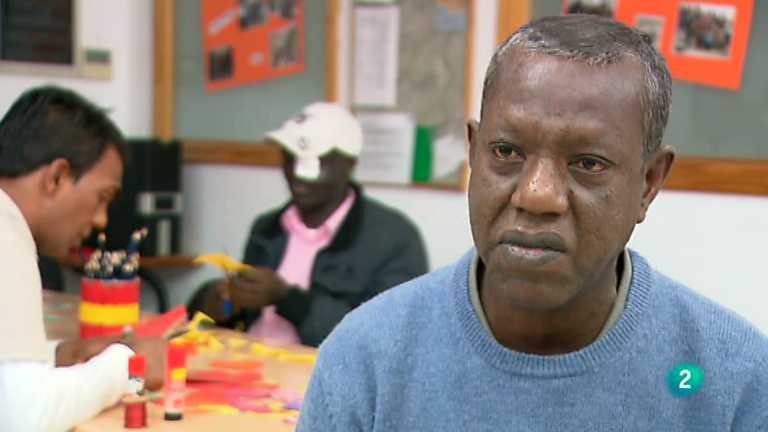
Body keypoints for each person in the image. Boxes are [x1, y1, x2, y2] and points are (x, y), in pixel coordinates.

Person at [297, 15, 768, 431]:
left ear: (648, 183)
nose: (537, 195)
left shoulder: (736, 381)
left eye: (588, 163)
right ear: (473, 152)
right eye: (506, 152)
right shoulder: (365, 360)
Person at [189, 102, 428, 347]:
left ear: (348, 164)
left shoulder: (395, 239)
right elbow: (238, 322)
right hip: (249, 362)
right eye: (289, 157)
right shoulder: (267, 228)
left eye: (311, 162)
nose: (296, 173)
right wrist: (222, 304)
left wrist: (288, 299)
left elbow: (386, 339)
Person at [0, 86, 166, 432]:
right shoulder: (6, 228)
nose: (101, 220)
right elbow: (26, 418)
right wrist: (129, 366)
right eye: (102, 197)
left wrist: (59, 355)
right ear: (57, 178)